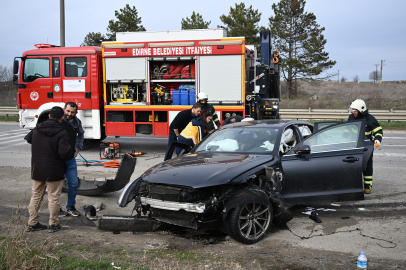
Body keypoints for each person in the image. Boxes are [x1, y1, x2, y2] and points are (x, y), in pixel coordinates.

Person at [26, 106, 72, 233]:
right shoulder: (62, 132)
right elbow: (64, 154)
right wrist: (71, 150)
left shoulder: (37, 128)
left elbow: (29, 139)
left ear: (49, 116)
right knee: (53, 197)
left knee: (36, 196)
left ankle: (32, 223)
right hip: (54, 170)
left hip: (37, 169)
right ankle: (53, 224)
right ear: (61, 118)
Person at [348, 99, 383, 194]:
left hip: (367, 146)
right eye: (353, 110)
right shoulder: (351, 117)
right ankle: (354, 186)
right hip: (354, 146)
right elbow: (347, 130)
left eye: (355, 110)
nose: (353, 112)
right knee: (354, 166)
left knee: (367, 167)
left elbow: (378, 130)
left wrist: (377, 140)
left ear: (361, 110)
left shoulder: (370, 119)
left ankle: (367, 186)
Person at [59, 102, 85, 217]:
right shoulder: (57, 121)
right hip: (57, 159)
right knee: (56, 186)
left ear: (76, 112)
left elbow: (81, 134)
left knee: (73, 184)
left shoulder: (77, 122)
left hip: (70, 158)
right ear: (64, 109)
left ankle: (70, 207)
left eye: (72, 112)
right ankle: (56, 209)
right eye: (68, 111)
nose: (69, 114)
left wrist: (78, 148)